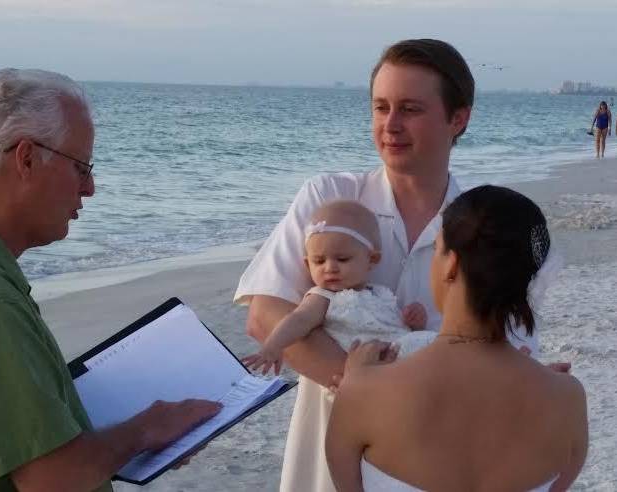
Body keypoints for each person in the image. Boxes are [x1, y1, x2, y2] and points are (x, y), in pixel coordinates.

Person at [0, 69, 221, 492]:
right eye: (81, 168)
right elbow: (52, 478)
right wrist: (146, 429)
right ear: (25, 158)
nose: (90, 188)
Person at [233, 38, 542, 492]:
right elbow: (267, 316)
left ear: (459, 118)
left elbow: (511, 349)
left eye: (411, 109)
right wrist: (375, 399)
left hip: (441, 449)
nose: (390, 125)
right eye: (381, 108)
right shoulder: (330, 199)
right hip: (330, 444)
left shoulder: (490, 221)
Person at [325, 185, 588, 491]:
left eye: (437, 249)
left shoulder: (364, 391)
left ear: (451, 264)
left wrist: (355, 379)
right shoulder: (567, 398)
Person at [242, 200, 424, 377]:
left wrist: (414, 321)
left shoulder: (381, 293)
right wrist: (273, 345)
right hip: (372, 366)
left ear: (372, 260)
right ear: (307, 264)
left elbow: (396, 328)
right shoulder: (323, 297)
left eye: (342, 259)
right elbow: (298, 320)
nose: (330, 268)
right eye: (319, 261)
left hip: (399, 357)